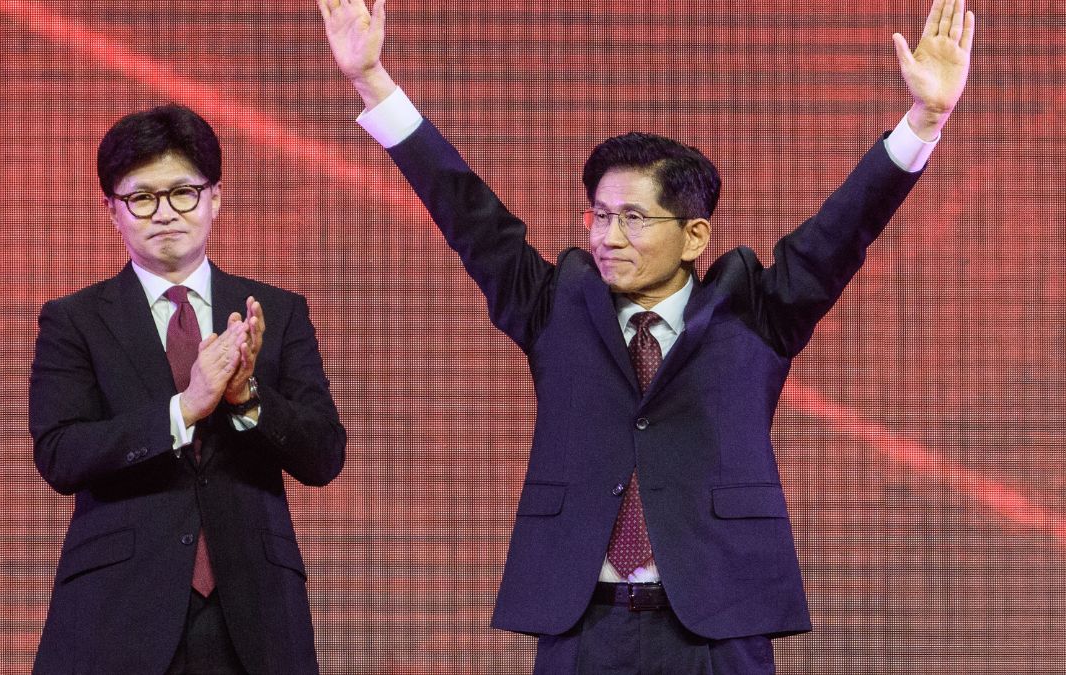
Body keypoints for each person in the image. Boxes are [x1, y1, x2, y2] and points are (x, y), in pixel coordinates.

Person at [320, 0, 974, 672]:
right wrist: (373, 81)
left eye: (633, 217)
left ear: (695, 235)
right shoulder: (555, 307)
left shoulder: (757, 311)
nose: (607, 236)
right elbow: (465, 209)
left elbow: (845, 227)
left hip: (716, 624)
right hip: (582, 624)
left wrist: (923, 119)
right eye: (599, 216)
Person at [28, 103, 346, 673]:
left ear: (215, 198)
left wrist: (247, 398)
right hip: (117, 611)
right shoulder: (74, 319)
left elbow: (323, 455)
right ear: (113, 211)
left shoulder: (275, 312)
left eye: (183, 192)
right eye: (141, 197)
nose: (165, 213)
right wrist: (184, 409)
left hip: (254, 611)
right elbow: (61, 454)